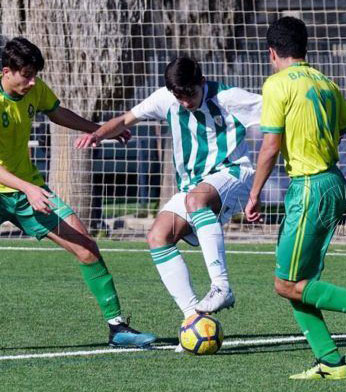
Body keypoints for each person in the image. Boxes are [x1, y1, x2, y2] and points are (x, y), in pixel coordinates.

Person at [0, 37, 155, 353]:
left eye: (34, 75)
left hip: (27, 188)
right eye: (26, 75)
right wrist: (28, 188)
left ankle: (117, 328)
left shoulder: (34, 89)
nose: (32, 82)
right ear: (7, 71)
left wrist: (97, 130)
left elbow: (57, 112)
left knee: (86, 246)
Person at [244, 16, 346, 380]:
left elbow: (270, 144)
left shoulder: (277, 84)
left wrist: (254, 194)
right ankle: (331, 361)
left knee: (285, 283)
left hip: (310, 186)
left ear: (272, 53)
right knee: (297, 283)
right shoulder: (327, 83)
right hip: (333, 182)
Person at [75, 57, 262, 321]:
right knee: (158, 235)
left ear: (202, 82)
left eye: (191, 95)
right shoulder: (165, 99)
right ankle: (193, 318)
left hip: (234, 174)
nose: (185, 103)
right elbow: (127, 119)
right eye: (179, 97)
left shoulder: (229, 97)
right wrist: (98, 134)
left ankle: (221, 286)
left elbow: (277, 113)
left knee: (197, 200)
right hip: (194, 187)